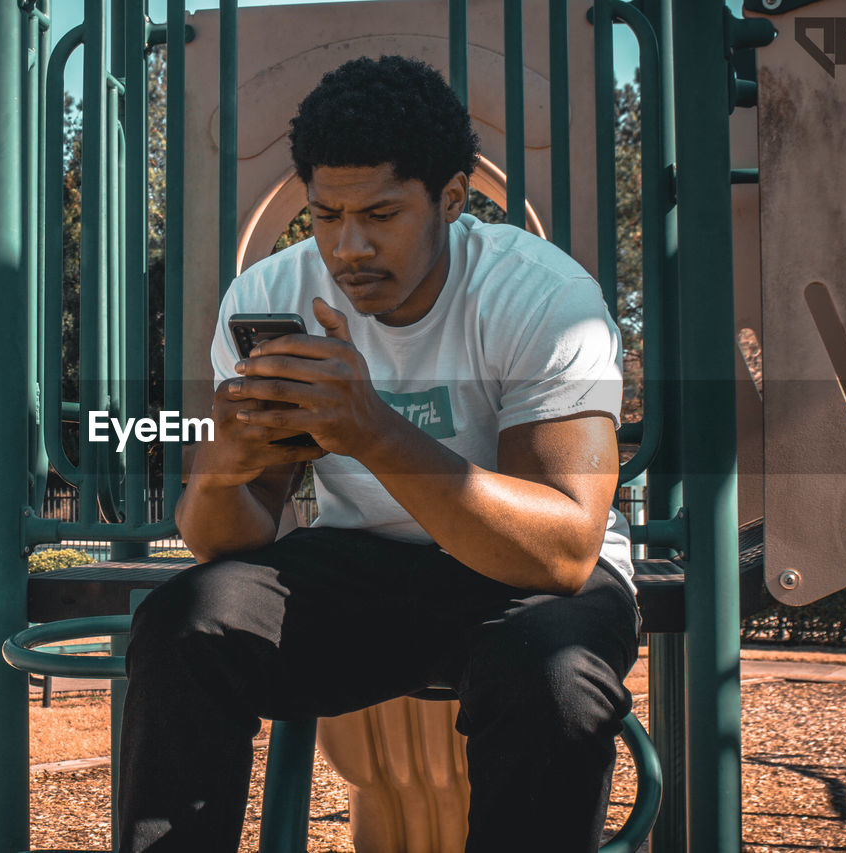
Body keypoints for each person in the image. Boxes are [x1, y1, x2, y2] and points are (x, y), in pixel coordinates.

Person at [119, 54, 639, 852]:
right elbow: (228, 539)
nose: (348, 247)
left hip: (528, 582)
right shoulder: (267, 298)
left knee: (552, 678)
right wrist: (221, 466)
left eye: (382, 215)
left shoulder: (542, 297)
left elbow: (564, 550)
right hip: (366, 566)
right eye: (326, 216)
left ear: (453, 200)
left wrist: (373, 431)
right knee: (183, 625)